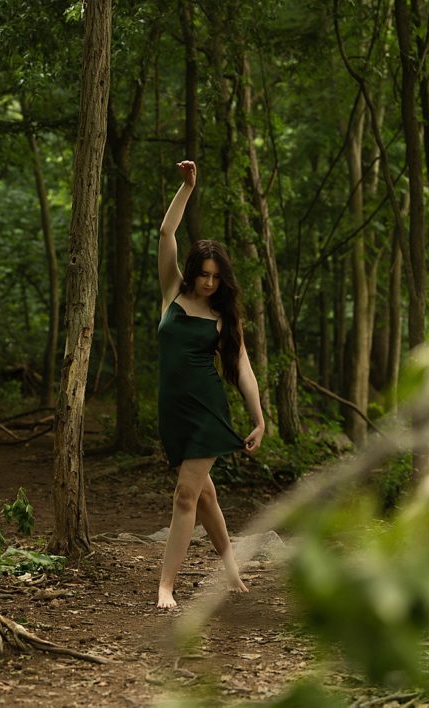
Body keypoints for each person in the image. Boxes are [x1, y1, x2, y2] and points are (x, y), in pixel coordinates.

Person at [155, 160, 266, 609]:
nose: (208, 281)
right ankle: (232, 570)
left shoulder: (223, 320)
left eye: (216, 277)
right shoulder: (172, 294)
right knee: (204, 495)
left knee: (185, 493)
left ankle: (166, 586)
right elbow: (165, 235)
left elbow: (242, 369)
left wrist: (259, 419)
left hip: (206, 410)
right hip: (172, 409)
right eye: (203, 273)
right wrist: (186, 188)